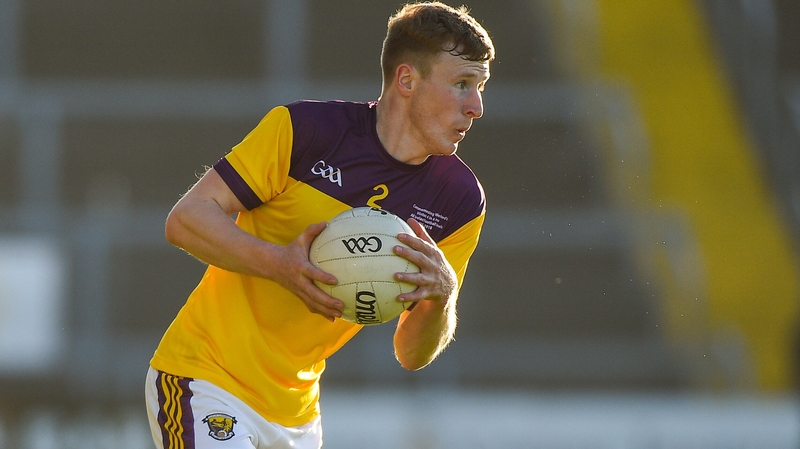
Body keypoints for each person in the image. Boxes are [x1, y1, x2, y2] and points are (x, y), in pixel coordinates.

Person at [145, 2, 495, 448]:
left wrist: (442, 298)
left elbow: (410, 354)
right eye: (463, 84)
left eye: (481, 87)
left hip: (297, 417)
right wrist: (280, 264)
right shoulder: (307, 130)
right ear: (407, 80)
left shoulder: (459, 200)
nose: (477, 107)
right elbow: (186, 220)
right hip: (206, 377)